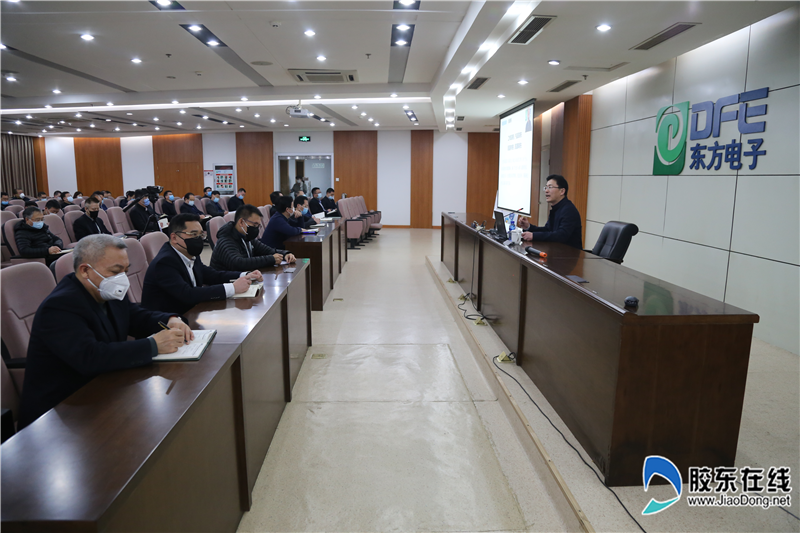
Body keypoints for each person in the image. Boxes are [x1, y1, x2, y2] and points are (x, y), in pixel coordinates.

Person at [16, 235, 192, 429]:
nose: (122, 278)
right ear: (85, 270)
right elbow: (90, 357)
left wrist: (170, 319)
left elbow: (136, 317)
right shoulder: (60, 306)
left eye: (125, 270)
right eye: (115, 271)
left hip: (104, 388)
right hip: (60, 411)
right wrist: (153, 345)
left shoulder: (105, 289)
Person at [141, 214, 263, 315]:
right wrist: (233, 288)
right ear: (174, 238)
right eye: (193, 234)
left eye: (200, 235)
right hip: (167, 324)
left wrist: (244, 275)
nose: (198, 239)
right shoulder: (165, 262)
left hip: (191, 313)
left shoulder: (189, 252)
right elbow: (187, 294)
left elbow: (210, 275)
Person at [210, 204, 296, 272]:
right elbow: (238, 263)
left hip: (243, 279)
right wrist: (271, 259)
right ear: (241, 222)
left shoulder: (247, 237)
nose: (256, 229)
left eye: (258, 226)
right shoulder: (226, 240)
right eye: (254, 225)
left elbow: (268, 250)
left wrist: (286, 254)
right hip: (226, 284)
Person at [518, 174, 583, 249]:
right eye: (546, 187)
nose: (546, 191)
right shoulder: (556, 208)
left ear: (562, 191)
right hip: (556, 251)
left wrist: (534, 236)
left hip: (569, 253)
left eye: (550, 187)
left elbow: (562, 235)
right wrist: (528, 227)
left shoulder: (569, 210)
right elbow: (548, 230)